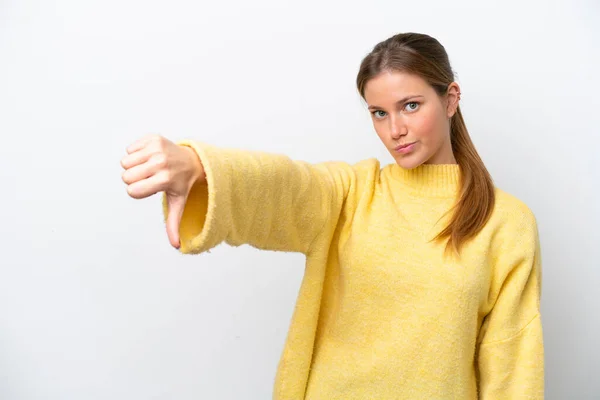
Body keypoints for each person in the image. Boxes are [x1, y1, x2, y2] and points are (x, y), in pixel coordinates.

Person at [120, 32, 544, 399]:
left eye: (411, 106)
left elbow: (512, 370)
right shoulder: (351, 193)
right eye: (379, 113)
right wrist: (200, 169)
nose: (394, 129)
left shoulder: (505, 222)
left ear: (450, 99)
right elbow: (286, 187)